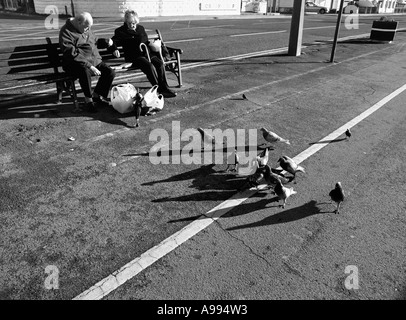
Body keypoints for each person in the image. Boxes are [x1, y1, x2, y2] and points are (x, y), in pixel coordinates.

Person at [59, 12, 117, 113]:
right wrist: (90, 66)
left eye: (88, 27)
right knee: (85, 71)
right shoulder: (66, 32)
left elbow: (95, 41)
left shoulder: (85, 26)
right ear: (78, 22)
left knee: (110, 72)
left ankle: (97, 96)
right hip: (75, 64)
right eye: (86, 27)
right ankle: (88, 100)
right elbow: (71, 53)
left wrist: (106, 42)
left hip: (93, 60)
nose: (87, 29)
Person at [111, 10, 177, 98]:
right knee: (149, 66)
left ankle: (164, 88)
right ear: (126, 21)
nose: (132, 25)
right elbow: (112, 41)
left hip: (147, 54)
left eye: (134, 22)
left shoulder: (140, 28)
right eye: (130, 23)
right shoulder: (120, 31)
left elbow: (145, 40)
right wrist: (115, 49)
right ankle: (157, 89)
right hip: (134, 56)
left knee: (159, 64)